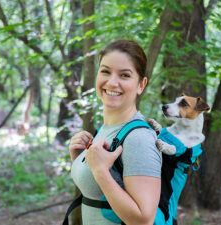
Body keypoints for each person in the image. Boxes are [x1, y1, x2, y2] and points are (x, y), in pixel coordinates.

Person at [69, 40, 162, 225]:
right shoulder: (105, 130)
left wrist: (100, 171)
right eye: (105, 71)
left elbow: (143, 220)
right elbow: (98, 195)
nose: (112, 82)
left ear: (141, 85)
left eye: (124, 75)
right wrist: (79, 159)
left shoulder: (139, 139)